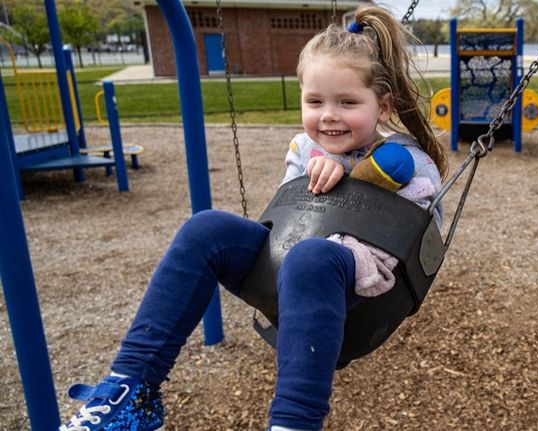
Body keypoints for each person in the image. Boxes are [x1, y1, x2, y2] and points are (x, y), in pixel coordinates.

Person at [58, 6, 449, 431]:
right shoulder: (304, 147)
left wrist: (356, 178)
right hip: (290, 263)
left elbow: (405, 243)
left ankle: (293, 422)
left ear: (384, 105)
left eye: (348, 102)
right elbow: (296, 217)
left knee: (311, 258)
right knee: (205, 227)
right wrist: (326, 170)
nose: (328, 115)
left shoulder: (410, 161)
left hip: (360, 278)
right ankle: (130, 388)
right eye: (314, 101)